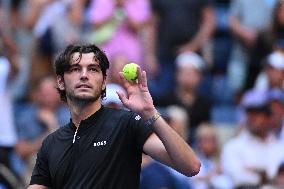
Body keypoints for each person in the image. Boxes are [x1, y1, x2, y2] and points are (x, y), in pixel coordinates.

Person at [27, 43, 200, 189]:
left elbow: (191, 166)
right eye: (75, 69)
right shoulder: (51, 143)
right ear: (60, 82)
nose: (84, 75)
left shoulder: (127, 124)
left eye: (93, 69)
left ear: (103, 82)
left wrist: (150, 113)